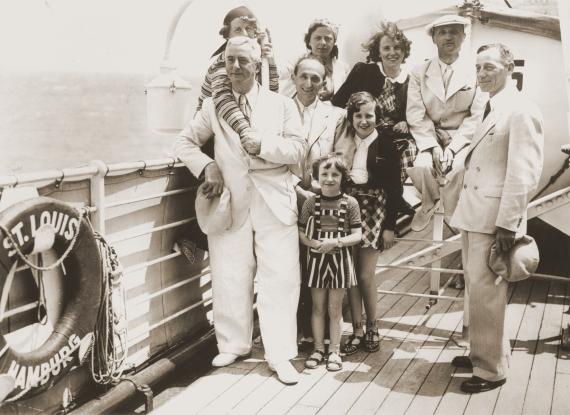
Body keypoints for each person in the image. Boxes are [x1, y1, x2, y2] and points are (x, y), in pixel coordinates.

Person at [173, 36, 305, 385]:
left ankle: (280, 355)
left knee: (280, 279)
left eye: (242, 60)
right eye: (230, 59)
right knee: (230, 274)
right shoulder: (214, 107)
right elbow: (184, 142)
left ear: (257, 63)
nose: (234, 67)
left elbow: (298, 150)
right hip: (231, 203)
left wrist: (264, 144)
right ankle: (234, 344)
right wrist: (207, 167)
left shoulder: (282, 105)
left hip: (274, 202)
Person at [450, 43, 544, 393]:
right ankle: (483, 351)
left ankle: (490, 370)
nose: (482, 74)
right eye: (477, 68)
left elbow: (524, 173)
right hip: (475, 213)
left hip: (494, 219)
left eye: (489, 67)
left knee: (487, 292)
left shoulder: (520, 111)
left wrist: (508, 223)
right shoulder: (492, 107)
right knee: (477, 291)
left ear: (509, 67)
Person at [334, 92, 401, 355]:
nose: (364, 121)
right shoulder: (344, 142)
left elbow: (395, 188)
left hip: (375, 210)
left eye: (369, 115)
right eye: (358, 115)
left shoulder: (386, 143)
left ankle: (373, 326)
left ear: (377, 117)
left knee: (365, 274)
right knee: (350, 274)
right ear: (351, 118)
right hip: (348, 207)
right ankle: (357, 329)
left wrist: (390, 226)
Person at [406, 14, 486, 231]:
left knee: (458, 167)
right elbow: (416, 115)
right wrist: (431, 146)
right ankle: (429, 202)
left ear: (463, 35)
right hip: (429, 136)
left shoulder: (477, 71)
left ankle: (452, 212)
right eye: (442, 32)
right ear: (434, 38)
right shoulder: (418, 72)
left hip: (462, 137)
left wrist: (453, 147)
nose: (448, 37)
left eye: (454, 31)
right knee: (421, 166)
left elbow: (477, 115)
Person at [290, 56, 346, 351]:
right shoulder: (279, 109)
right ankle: (298, 333)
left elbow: (339, 157)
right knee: (292, 268)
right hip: (285, 196)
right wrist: (297, 190)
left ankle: (323, 337)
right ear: (294, 77)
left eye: (315, 78)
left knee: (320, 265)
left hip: (321, 202)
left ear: (323, 82)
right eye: (304, 77)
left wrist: (322, 193)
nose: (309, 84)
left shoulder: (336, 115)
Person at [332, 21, 416, 213]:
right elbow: (338, 101)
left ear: (404, 52)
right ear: (378, 51)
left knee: (406, 152)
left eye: (397, 48)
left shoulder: (410, 80)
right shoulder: (364, 71)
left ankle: (394, 197)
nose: (392, 52)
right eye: (386, 48)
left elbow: (415, 111)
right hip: (362, 130)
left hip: (394, 137)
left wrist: (406, 121)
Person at [299, 154, 362, 371]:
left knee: (335, 309)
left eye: (335, 174)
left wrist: (337, 241)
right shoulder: (310, 202)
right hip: (316, 261)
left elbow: (357, 235)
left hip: (340, 261)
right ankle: (318, 348)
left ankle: (334, 350)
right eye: (324, 174)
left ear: (342, 177)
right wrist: (314, 243)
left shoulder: (350, 203)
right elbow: (301, 232)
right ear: (316, 176)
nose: (329, 178)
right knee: (317, 307)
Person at [196, 6, 279, 140]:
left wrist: (269, 62)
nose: (245, 34)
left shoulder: (255, 61)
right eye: (238, 29)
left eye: (248, 29)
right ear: (227, 34)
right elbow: (223, 100)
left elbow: (272, 93)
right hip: (213, 133)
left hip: (246, 131)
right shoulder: (222, 64)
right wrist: (247, 132)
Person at [280, 19, 350, 101]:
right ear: (309, 41)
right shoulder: (296, 61)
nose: (323, 42)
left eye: (328, 39)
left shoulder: (343, 68)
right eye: (318, 38)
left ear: (334, 42)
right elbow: (278, 74)